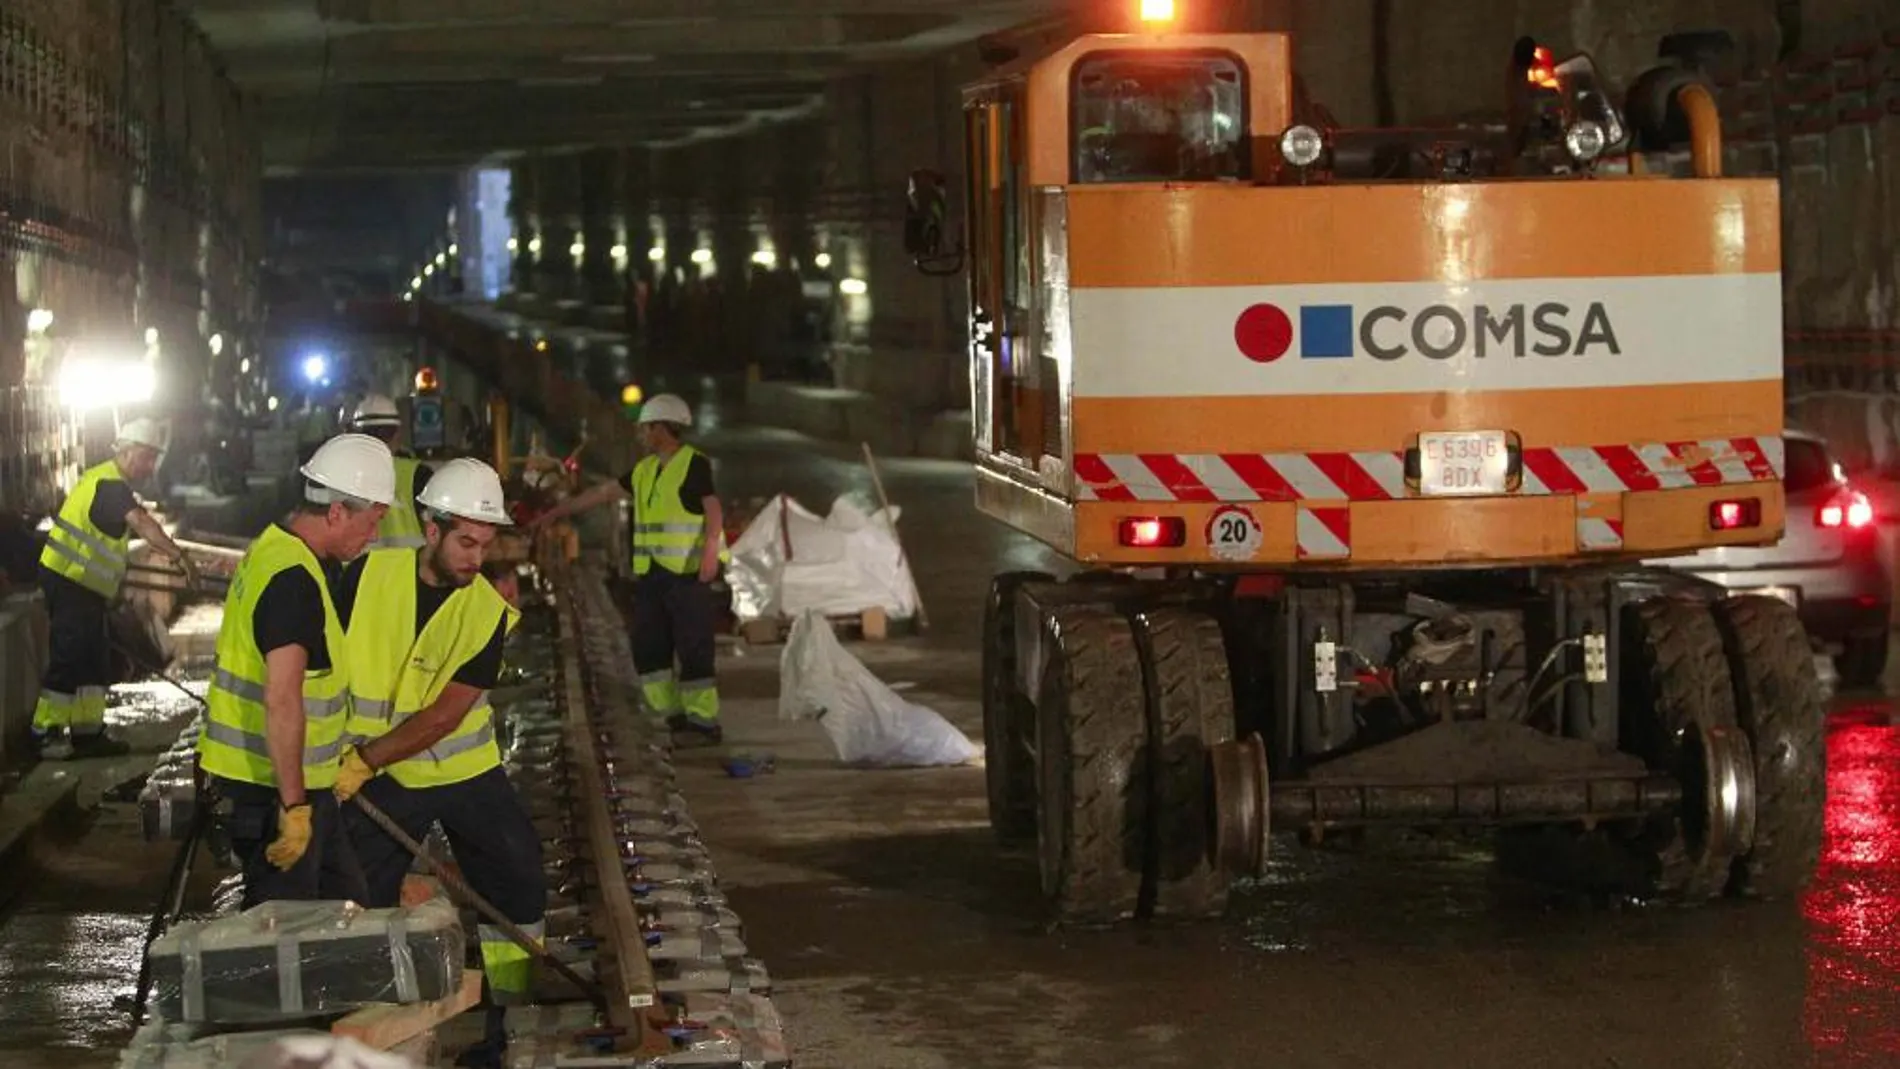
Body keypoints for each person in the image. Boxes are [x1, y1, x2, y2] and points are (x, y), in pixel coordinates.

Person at [331, 459, 537, 1069]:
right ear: (431, 530)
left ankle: (508, 1031)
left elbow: (447, 715)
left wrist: (363, 759)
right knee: (353, 900)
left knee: (519, 888)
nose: (477, 558)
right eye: (466, 541)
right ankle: (359, 1033)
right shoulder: (365, 573)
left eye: (486, 543)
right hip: (386, 778)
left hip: (460, 773)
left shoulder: (487, 613)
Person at [197, 433, 394, 908]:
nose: (373, 536)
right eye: (372, 522)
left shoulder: (276, 550)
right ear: (336, 512)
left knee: (345, 909)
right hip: (276, 791)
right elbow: (282, 698)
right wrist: (294, 808)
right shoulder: (294, 581)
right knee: (290, 936)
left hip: (296, 784)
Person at [529, 394, 727, 745]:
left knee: (694, 648)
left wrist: (711, 551)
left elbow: (712, 510)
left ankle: (704, 723)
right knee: (649, 647)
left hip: (687, 574)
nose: (640, 434)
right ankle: (671, 716)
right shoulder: (645, 470)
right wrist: (556, 512)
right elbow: (604, 493)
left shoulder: (693, 465)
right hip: (652, 574)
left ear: (662, 429)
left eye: (645, 428)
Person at [34, 418, 198, 759]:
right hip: (70, 582)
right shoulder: (110, 485)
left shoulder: (106, 481)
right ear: (130, 452)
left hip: (83, 585)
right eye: (148, 457)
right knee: (70, 655)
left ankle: (88, 732)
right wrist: (178, 556)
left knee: (93, 660)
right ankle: (45, 733)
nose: (151, 466)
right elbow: (141, 523)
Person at [350, 394, 431, 550]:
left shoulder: (337, 472)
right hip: (405, 573)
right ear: (398, 433)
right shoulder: (417, 474)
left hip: (357, 573)